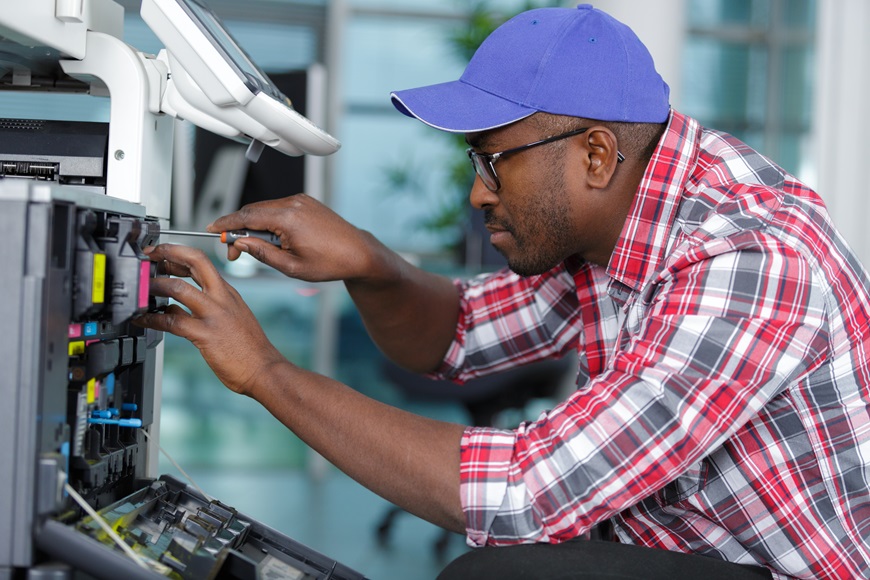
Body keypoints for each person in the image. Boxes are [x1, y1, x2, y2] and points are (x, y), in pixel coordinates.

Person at [135, 5, 870, 579]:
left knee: (500, 573)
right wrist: (370, 263)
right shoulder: (618, 213)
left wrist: (267, 373)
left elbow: (526, 494)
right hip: (691, 550)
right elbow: (458, 337)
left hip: (774, 571)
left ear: (594, 155)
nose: (479, 194)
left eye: (493, 162)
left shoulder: (746, 260)